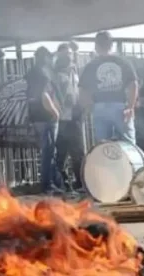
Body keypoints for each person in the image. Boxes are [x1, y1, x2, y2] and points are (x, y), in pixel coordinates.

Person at [79, 31, 139, 145]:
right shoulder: (123, 62)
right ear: (111, 45)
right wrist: (130, 107)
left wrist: (89, 106)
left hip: (99, 107)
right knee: (129, 143)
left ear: (96, 46)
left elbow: (83, 90)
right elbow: (133, 84)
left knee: (103, 146)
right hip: (120, 106)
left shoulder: (91, 65)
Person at [26, 46, 61, 195]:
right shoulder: (42, 74)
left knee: (47, 151)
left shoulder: (31, 73)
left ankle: (52, 182)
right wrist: (54, 112)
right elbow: (44, 95)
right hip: (46, 117)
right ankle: (48, 185)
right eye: (49, 57)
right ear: (45, 57)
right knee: (49, 152)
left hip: (36, 117)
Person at [53, 43, 85, 191]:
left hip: (75, 117)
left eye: (70, 54)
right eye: (65, 54)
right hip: (61, 118)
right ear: (59, 55)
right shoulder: (55, 74)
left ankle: (80, 183)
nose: (68, 57)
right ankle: (62, 183)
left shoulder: (75, 71)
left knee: (78, 152)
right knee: (61, 153)